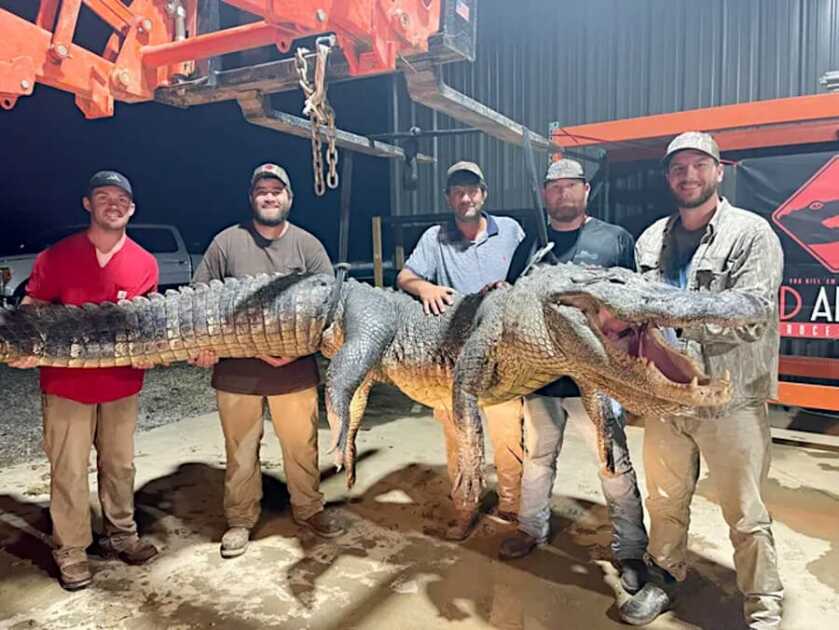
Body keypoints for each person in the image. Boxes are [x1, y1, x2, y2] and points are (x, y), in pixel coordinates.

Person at [620, 132, 784, 629]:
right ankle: (663, 576)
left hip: (729, 398)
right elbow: (639, 313)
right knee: (665, 499)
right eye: (677, 168)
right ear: (668, 178)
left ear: (719, 172)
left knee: (745, 511)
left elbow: (754, 309)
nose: (688, 176)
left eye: (698, 165)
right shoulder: (651, 240)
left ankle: (763, 603)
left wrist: (675, 310)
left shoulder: (750, 234)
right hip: (667, 394)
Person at [500, 158, 649, 595]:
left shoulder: (614, 239)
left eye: (571, 185)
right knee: (537, 458)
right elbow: (513, 299)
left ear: (586, 190)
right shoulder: (531, 244)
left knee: (613, 462)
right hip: (541, 379)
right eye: (554, 186)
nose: (562, 193)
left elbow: (634, 302)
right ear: (544, 194)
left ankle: (630, 550)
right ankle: (531, 529)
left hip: (596, 379)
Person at [9, 170, 160, 590]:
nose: (114, 204)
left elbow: (148, 322)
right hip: (66, 384)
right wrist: (25, 345)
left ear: (132, 208)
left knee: (120, 465)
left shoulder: (145, 262)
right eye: (104, 196)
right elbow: (32, 307)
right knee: (69, 468)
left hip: (122, 383)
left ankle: (122, 535)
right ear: (88, 204)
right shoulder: (56, 256)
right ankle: (72, 549)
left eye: (122, 199)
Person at [190, 163, 344, 558]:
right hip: (237, 371)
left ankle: (309, 509)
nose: (270, 197)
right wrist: (218, 345)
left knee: (301, 447)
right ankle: (240, 519)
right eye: (262, 191)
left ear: (289, 198)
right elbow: (199, 299)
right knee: (240, 450)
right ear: (252, 198)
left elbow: (330, 307)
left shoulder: (307, 246)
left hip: (294, 369)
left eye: (277, 190)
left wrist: (295, 350)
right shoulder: (227, 243)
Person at [396, 161, 525, 541]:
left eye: (471, 190)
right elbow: (405, 276)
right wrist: (426, 288)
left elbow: (530, 274)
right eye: (458, 192)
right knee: (458, 439)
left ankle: (512, 503)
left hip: (503, 356)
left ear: (484, 194)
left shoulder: (511, 231)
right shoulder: (435, 238)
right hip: (451, 360)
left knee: (508, 434)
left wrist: (511, 288)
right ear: (448, 198)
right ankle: (465, 507)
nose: (465, 197)